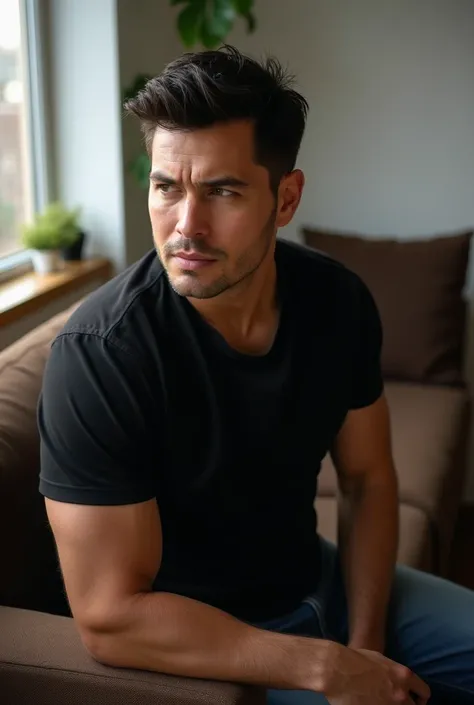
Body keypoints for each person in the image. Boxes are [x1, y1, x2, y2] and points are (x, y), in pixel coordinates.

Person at [38, 46, 474, 705]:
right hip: (207, 645)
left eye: (222, 190)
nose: (187, 226)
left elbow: (368, 477)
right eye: (166, 187)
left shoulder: (337, 301)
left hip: (317, 579)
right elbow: (110, 615)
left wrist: (365, 645)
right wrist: (329, 669)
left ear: (286, 197)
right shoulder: (100, 354)